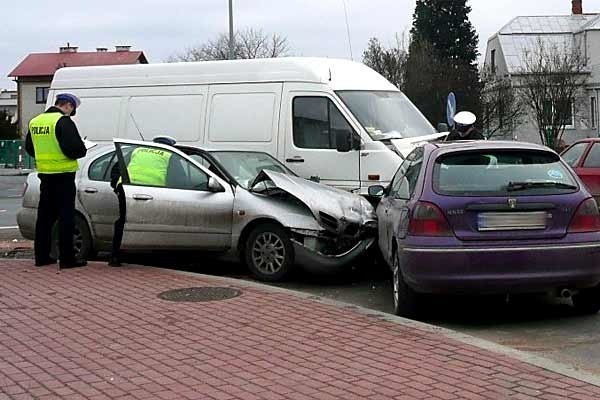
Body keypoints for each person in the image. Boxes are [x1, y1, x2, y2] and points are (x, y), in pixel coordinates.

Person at [25, 93, 87, 269]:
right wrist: (82, 147)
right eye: (72, 109)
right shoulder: (63, 122)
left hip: (45, 175)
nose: (71, 113)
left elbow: (30, 147)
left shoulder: (36, 121)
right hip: (64, 176)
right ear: (67, 105)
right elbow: (75, 149)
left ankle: (42, 257)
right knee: (66, 218)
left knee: (44, 218)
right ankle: (68, 259)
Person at [108, 136, 178, 267]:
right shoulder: (169, 155)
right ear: (170, 146)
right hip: (154, 193)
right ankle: (155, 256)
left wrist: (117, 187)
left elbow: (117, 168)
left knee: (123, 221)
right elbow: (179, 178)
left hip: (128, 191)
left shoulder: (138, 150)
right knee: (157, 223)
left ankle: (115, 256)